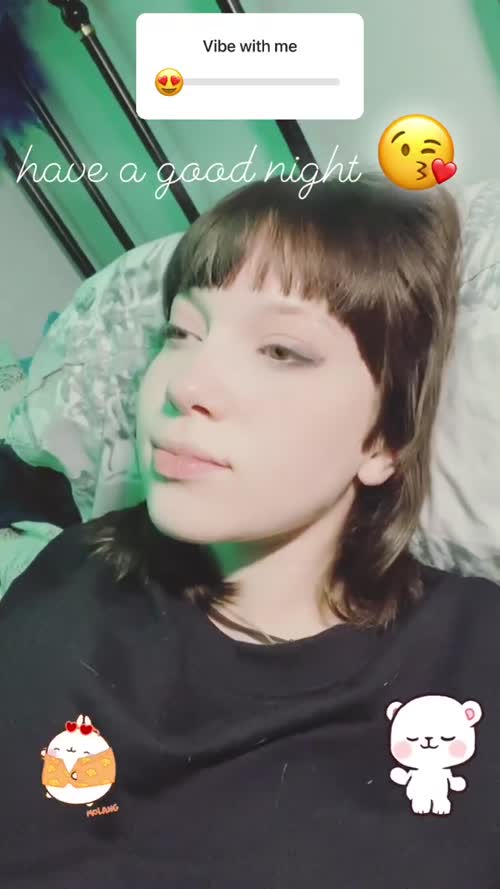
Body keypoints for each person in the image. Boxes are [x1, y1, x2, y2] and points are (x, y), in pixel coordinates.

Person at [1, 173, 500, 889]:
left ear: (385, 440)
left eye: (281, 350)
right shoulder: (72, 584)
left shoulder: (477, 650)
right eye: (181, 333)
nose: (185, 385)